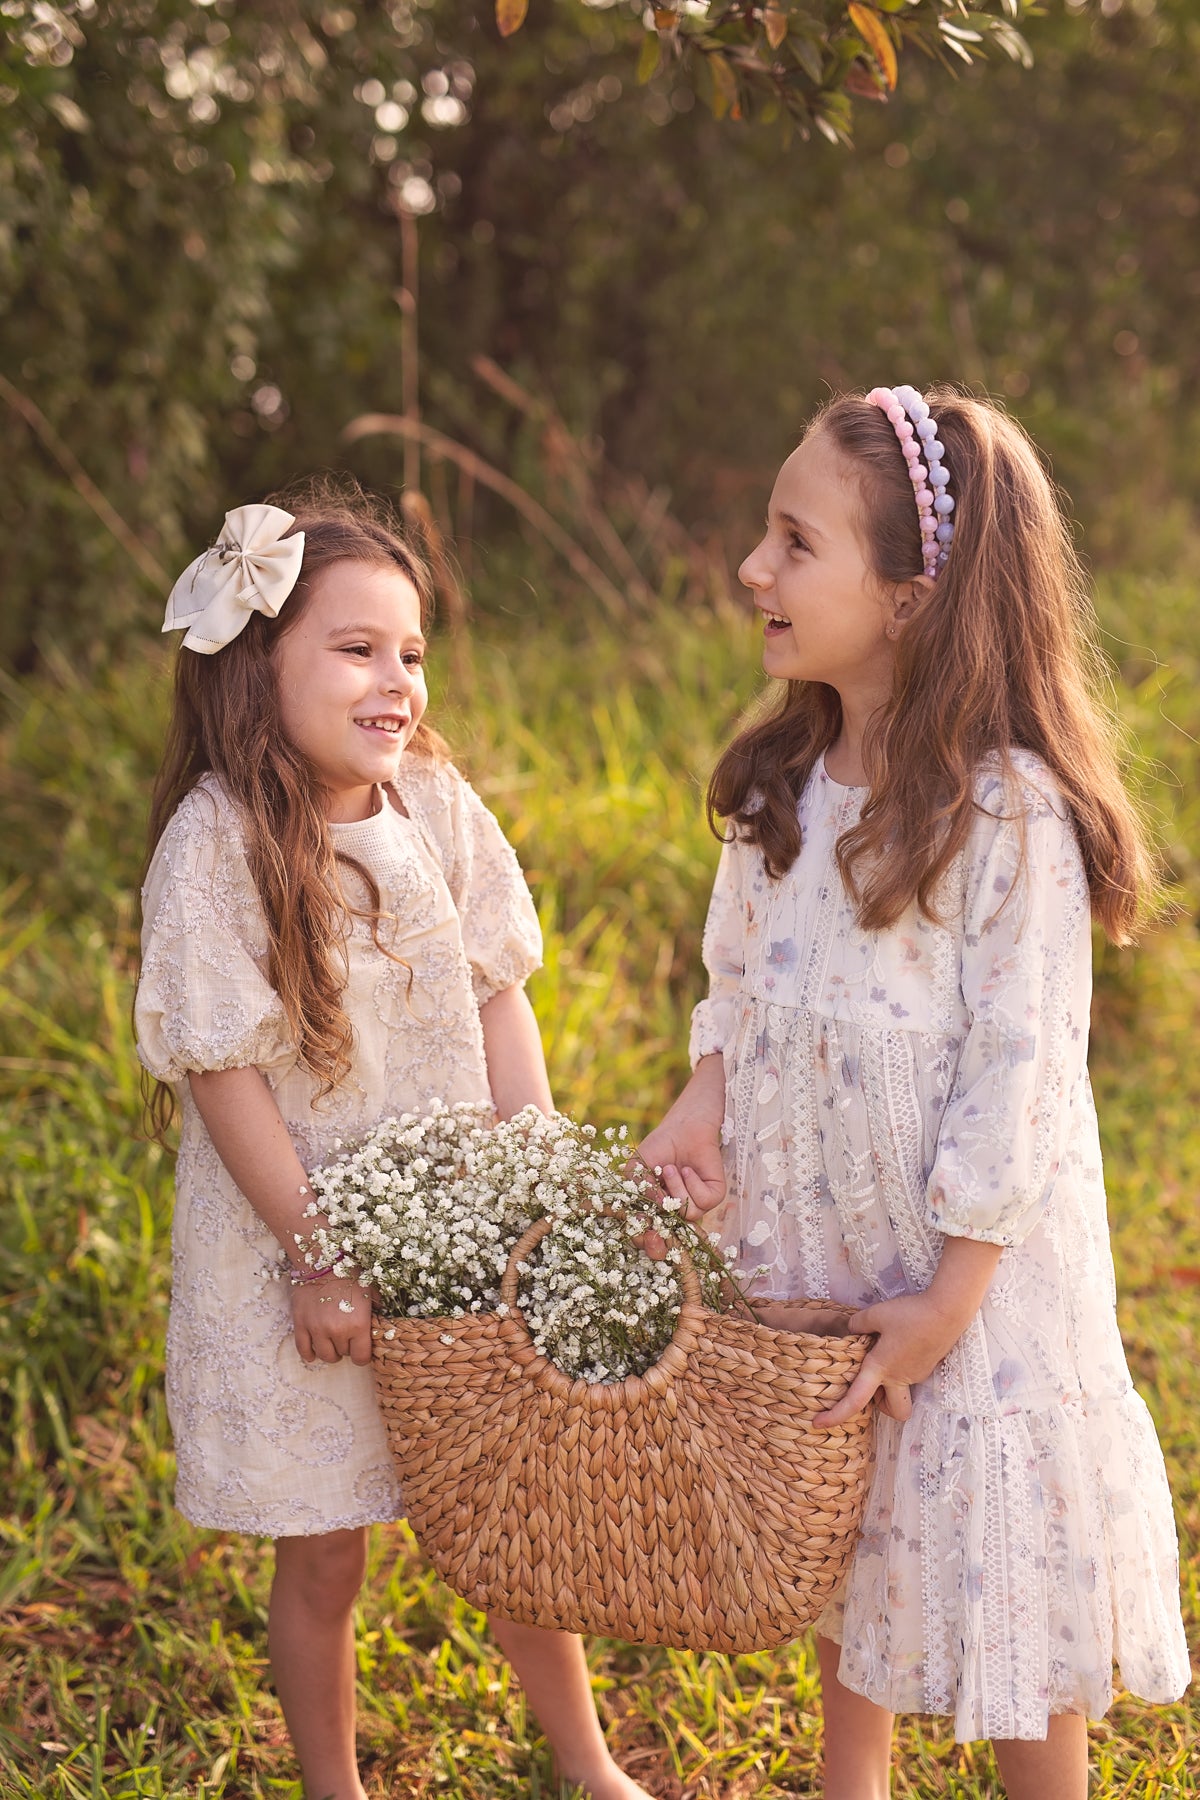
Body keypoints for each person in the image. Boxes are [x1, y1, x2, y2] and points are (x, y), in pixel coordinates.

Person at [639, 386, 1191, 1800]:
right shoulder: (783, 781)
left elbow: (1025, 1073)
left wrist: (950, 1298)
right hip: (832, 1244)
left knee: (1000, 1564)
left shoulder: (1004, 816)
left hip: (977, 1285)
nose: (755, 570)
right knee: (855, 1542)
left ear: (910, 596)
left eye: (793, 541)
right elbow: (742, 981)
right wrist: (706, 1094)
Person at [135, 481, 650, 1800]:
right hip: (297, 1250)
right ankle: (334, 1787)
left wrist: (541, 1171)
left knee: (503, 1513)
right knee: (327, 1552)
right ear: (262, 664)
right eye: (356, 648)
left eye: (412, 652)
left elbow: (495, 992)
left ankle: (590, 1767)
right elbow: (225, 1076)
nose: (397, 680)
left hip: (459, 1233)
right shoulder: (219, 840)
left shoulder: (431, 807)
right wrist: (318, 1254)